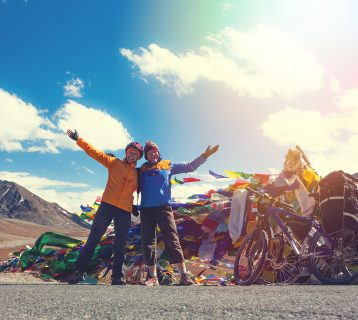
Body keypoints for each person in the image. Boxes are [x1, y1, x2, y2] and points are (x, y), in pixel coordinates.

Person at [66, 129, 143, 285]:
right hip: (107, 205)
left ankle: (117, 277)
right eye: (131, 151)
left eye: (136, 153)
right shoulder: (113, 163)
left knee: (121, 244)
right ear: (126, 152)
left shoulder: (138, 173)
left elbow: (135, 190)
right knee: (93, 239)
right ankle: (79, 271)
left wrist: (133, 205)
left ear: (138, 157)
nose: (133, 154)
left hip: (124, 211)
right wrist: (78, 139)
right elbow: (94, 152)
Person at [140, 141, 219, 285]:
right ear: (146, 155)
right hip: (145, 210)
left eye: (155, 151)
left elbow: (189, 167)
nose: (152, 153)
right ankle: (152, 277)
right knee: (148, 242)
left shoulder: (167, 165)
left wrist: (204, 156)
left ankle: (184, 275)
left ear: (158, 152)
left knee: (172, 238)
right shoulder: (142, 169)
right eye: (149, 152)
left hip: (163, 208)